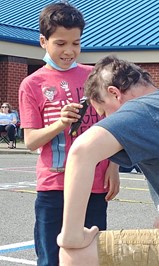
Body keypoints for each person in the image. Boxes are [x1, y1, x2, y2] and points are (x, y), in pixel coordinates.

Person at [57, 55, 159, 266]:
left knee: (75, 254)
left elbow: (82, 151)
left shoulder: (144, 109)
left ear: (114, 93)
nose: (107, 119)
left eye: (104, 111)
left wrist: (71, 235)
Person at [19, 4, 119, 266]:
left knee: (92, 256)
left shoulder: (94, 77)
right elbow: (30, 142)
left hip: (94, 185)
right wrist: (59, 123)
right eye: (60, 43)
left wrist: (114, 165)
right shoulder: (32, 84)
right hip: (54, 186)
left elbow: (114, 123)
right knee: (51, 257)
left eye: (76, 42)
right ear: (43, 41)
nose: (69, 51)